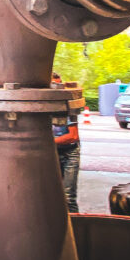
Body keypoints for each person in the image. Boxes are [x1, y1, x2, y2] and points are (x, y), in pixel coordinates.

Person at [51, 73, 81, 213]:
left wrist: (46, 142)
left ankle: (76, 229)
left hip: (70, 153)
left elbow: (73, 136)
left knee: (68, 197)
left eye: (60, 84)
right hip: (52, 152)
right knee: (51, 195)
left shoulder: (67, 108)